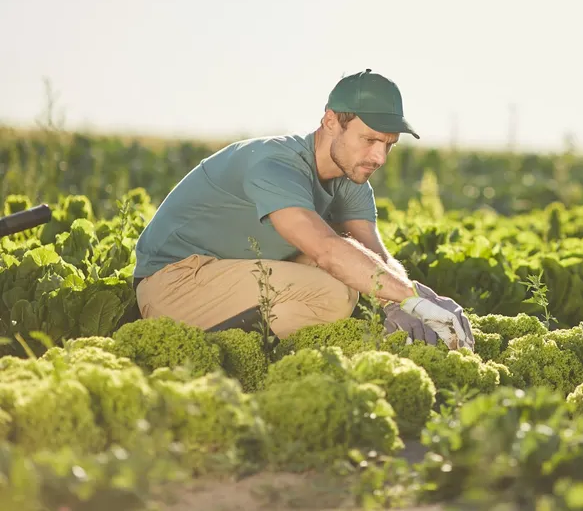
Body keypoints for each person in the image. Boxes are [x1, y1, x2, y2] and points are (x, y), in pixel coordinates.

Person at [131, 68, 474, 352]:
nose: (379, 158)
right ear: (330, 122)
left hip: (232, 275)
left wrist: (414, 296)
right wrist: (409, 299)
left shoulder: (351, 181)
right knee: (334, 291)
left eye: (388, 145)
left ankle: (267, 353)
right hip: (173, 284)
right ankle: (239, 356)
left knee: (355, 277)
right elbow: (325, 250)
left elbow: (376, 256)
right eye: (369, 140)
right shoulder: (274, 165)